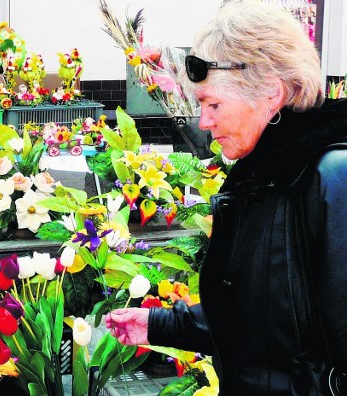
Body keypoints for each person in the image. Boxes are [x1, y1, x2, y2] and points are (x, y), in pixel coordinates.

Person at [106, 2, 347, 395]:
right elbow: (262, 318)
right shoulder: (262, 176)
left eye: (213, 104)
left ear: (271, 92)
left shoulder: (331, 178)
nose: (203, 122)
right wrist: (159, 325)